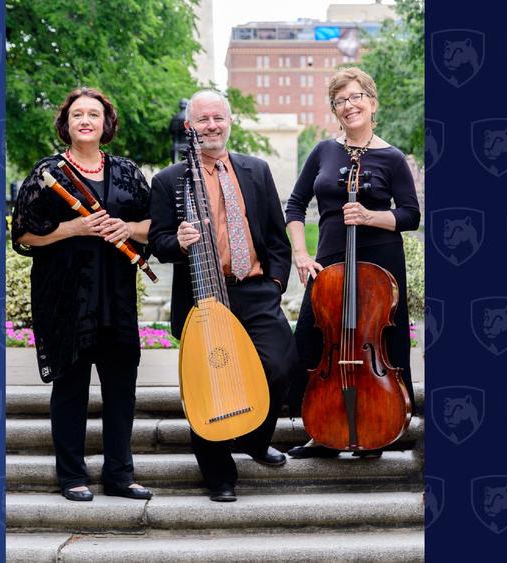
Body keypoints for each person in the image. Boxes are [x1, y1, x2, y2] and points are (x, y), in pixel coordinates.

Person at [148, 90, 297, 502]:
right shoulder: (168, 180)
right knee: (208, 382)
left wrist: (276, 284)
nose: (211, 125)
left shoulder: (256, 170)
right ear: (190, 127)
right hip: (202, 295)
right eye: (202, 119)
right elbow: (157, 242)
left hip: (254, 291)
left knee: (282, 364)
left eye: (218, 117)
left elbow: (275, 236)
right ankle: (219, 475)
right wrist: (175, 241)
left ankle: (252, 438)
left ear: (229, 121)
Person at [11, 87, 152, 501]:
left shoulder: (126, 171)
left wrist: (126, 229)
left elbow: (152, 224)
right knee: (71, 387)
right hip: (66, 296)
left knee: (121, 387)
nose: (86, 120)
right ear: (67, 124)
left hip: (116, 294)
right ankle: (72, 475)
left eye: (94, 114)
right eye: (78, 115)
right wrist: (74, 228)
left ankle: (120, 475)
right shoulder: (47, 172)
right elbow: (23, 234)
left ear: (106, 123)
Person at [284, 67, 421, 459]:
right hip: (328, 262)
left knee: (379, 343)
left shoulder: (392, 158)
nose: (349, 105)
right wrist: (300, 253)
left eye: (356, 96)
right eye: (341, 100)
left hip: (380, 266)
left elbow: (410, 215)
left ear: (372, 102)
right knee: (312, 339)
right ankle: (323, 429)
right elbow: (295, 206)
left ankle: (380, 425)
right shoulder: (324, 151)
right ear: (334, 110)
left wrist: (369, 216)